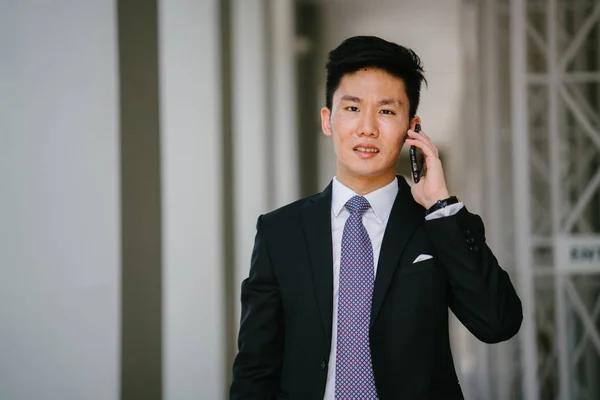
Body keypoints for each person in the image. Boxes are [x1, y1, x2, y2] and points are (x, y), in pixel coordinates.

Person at [230, 35, 522, 400]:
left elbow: (498, 323)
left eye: (386, 111)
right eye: (352, 108)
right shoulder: (279, 232)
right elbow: (255, 368)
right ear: (328, 119)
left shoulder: (437, 224)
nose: (367, 127)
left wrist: (441, 206)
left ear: (410, 129)